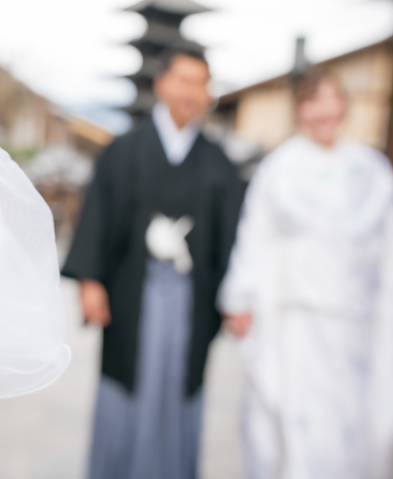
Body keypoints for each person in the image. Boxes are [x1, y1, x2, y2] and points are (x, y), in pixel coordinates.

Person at [219, 69, 393, 479]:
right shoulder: (281, 166)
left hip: (357, 319)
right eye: (313, 100)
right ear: (300, 110)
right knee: (297, 414)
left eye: (332, 99)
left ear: (345, 107)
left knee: (352, 415)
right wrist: (240, 298)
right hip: (298, 316)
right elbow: (255, 235)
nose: (324, 111)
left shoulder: (371, 167)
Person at [62, 48, 244, 479]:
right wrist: (90, 281)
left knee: (181, 387)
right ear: (161, 84)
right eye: (183, 80)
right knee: (126, 382)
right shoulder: (124, 150)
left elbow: (234, 236)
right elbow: (98, 216)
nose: (191, 91)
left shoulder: (218, 162)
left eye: (201, 83)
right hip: (130, 290)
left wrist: (237, 293)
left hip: (191, 297)